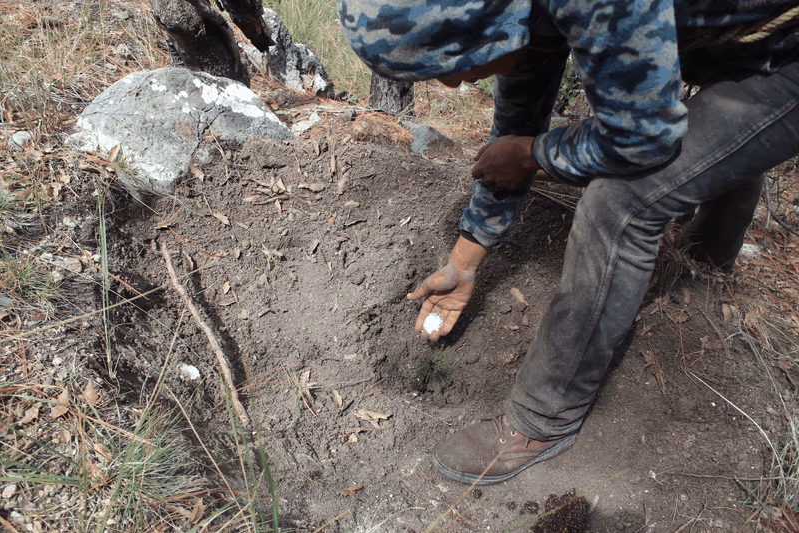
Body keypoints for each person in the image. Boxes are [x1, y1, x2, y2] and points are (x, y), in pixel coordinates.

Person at [338, 0, 799, 485]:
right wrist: (465, 259)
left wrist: (537, 155)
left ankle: (543, 420)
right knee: (706, 145)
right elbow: (516, 128)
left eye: (447, 67)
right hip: (738, 39)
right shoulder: (519, 12)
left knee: (620, 202)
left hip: (786, 51)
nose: (451, 85)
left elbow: (642, 138)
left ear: (482, 28)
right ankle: (705, 269)